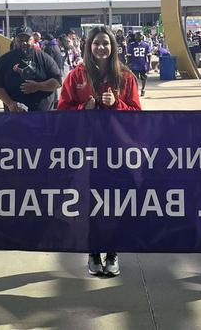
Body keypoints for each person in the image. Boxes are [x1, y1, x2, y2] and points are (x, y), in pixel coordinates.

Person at [58, 25, 141, 277]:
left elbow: (138, 116)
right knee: (91, 203)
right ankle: (94, 251)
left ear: (113, 46)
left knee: (115, 202)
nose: (101, 47)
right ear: (88, 46)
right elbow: (62, 113)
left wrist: (117, 105)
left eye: (105, 43)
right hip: (87, 150)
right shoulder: (76, 76)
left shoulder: (125, 77)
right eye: (96, 43)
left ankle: (112, 251)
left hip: (117, 150)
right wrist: (83, 108)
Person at [0, 27, 62, 113]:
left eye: (27, 39)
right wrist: (10, 103)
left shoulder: (44, 58)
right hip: (15, 114)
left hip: (42, 115)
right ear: (14, 41)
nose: (24, 43)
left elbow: (57, 82)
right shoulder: (4, 60)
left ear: (33, 40)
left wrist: (38, 86)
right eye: (20, 40)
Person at [126, 31, 151, 97]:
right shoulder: (131, 45)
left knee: (144, 77)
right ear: (135, 36)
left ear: (142, 36)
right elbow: (129, 56)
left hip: (143, 64)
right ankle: (135, 90)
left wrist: (149, 64)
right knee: (135, 78)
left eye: (140, 35)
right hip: (134, 64)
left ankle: (143, 89)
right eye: (137, 35)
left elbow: (149, 55)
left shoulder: (146, 45)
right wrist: (128, 64)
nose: (139, 36)